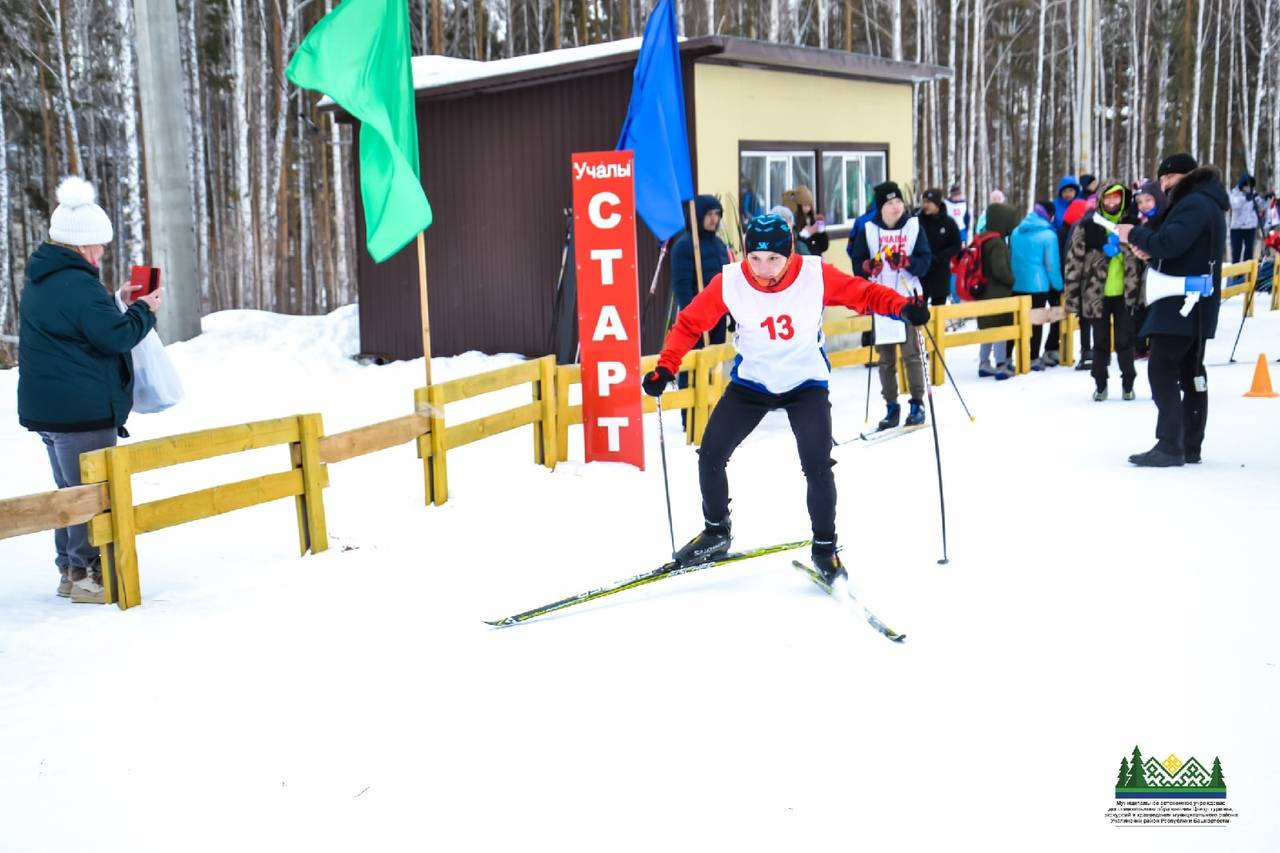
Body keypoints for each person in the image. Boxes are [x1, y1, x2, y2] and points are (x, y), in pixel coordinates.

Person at [640, 214, 930, 585]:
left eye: (773, 259)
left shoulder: (814, 275)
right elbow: (689, 324)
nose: (763, 269)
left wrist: (903, 307)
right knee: (711, 454)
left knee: (817, 465)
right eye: (755, 259)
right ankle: (716, 532)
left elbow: (865, 294)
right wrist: (666, 368)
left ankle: (825, 549)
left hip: (805, 383)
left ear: (790, 253)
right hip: (753, 384)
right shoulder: (730, 281)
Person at [17, 176, 162, 602]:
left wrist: (117, 299)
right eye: (99, 246)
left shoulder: (44, 279)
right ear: (83, 246)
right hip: (81, 411)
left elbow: (86, 324)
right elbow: (114, 336)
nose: (101, 253)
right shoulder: (78, 285)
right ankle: (86, 576)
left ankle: (69, 571)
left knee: (69, 493)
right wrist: (143, 310)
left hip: (52, 411)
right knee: (90, 496)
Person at [1116, 153, 1226, 467]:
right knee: (1192, 372)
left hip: (1181, 302)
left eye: (1168, 178)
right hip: (1195, 301)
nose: (1164, 185)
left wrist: (1134, 234)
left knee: (1161, 367)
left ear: (1185, 176)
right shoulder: (1208, 203)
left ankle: (1169, 444)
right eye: (1161, 179)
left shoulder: (1193, 203)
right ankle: (1190, 444)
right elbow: (1181, 252)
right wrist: (1150, 255)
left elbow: (1171, 242)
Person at [848, 181, 934, 430]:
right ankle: (891, 406)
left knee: (912, 354)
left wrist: (907, 262)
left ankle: (917, 403)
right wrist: (866, 267)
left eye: (898, 202)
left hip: (908, 299)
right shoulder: (869, 230)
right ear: (881, 208)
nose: (896, 207)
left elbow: (926, 261)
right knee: (885, 359)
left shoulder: (914, 227)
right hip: (881, 300)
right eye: (890, 203)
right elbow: (858, 262)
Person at [1064, 181, 1144, 401]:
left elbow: (1145, 259)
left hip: (1125, 294)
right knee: (1100, 343)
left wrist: (1123, 251)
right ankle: (1100, 385)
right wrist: (1072, 297)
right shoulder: (1088, 224)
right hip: (1095, 294)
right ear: (1100, 199)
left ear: (1122, 199)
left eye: (1116, 197)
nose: (1111, 201)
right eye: (1107, 198)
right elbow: (1074, 261)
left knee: (1124, 341)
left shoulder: (1132, 224)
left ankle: (1128, 384)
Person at [670, 194, 731, 420]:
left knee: (714, 362)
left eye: (717, 214)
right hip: (696, 317)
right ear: (698, 216)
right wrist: (692, 316)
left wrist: (731, 311)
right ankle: (691, 416)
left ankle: (712, 411)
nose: (714, 219)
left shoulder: (719, 245)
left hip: (718, 316)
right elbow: (682, 286)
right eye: (709, 214)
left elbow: (726, 281)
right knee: (694, 363)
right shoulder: (685, 246)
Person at [1010, 200, 1064, 369]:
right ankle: (1033, 357)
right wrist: (1059, 286)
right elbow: (1052, 265)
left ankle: (1007, 357)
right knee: (1037, 321)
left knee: (1016, 321)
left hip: (1017, 283)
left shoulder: (1016, 231)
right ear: (1050, 215)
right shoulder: (1049, 235)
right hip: (1038, 285)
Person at [974, 202, 1019, 379]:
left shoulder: (981, 237)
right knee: (1001, 328)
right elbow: (1000, 268)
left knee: (986, 328)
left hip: (981, 290)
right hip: (998, 291)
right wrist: (1011, 280)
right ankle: (1001, 364)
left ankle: (984, 362)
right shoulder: (997, 242)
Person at [917, 188, 963, 306]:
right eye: (924, 202)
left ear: (937, 204)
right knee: (918, 309)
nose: (925, 205)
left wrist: (940, 257)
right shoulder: (916, 222)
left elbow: (956, 245)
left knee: (939, 309)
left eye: (929, 202)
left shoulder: (948, 223)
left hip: (940, 272)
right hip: (921, 273)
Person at [781, 186, 829, 256]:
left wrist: (821, 232)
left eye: (809, 205)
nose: (808, 208)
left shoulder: (812, 220)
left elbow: (823, 246)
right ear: (798, 206)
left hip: (816, 260)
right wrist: (804, 235)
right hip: (805, 261)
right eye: (805, 205)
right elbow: (798, 247)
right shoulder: (793, 223)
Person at [1228, 173, 1259, 263]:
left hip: (1250, 227)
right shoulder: (1234, 193)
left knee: (1249, 251)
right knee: (1236, 252)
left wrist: (1266, 199)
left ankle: (1248, 274)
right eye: (1246, 186)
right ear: (1242, 186)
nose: (1248, 189)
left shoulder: (1253, 194)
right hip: (1237, 227)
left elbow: (1261, 206)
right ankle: (1237, 275)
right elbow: (1234, 205)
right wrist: (1245, 198)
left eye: (1250, 187)